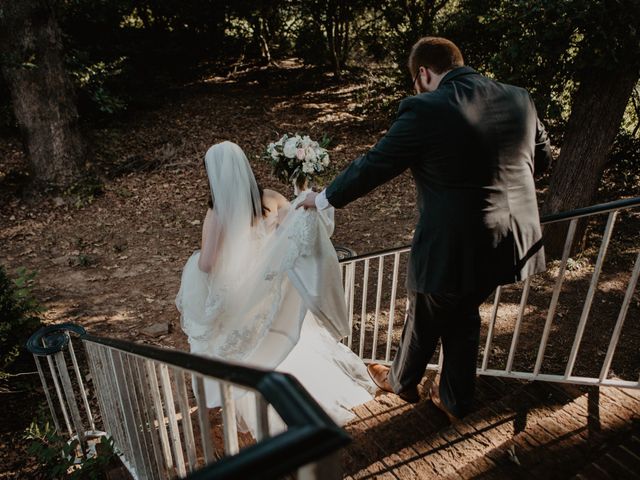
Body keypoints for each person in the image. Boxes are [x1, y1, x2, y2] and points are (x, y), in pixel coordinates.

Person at [298, 37, 552, 420]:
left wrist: (322, 199)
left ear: (423, 73)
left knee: (427, 302)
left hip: (454, 243)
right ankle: (451, 396)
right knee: (460, 308)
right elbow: (543, 159)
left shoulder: (426, 107)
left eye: (414, 81)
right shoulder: (519, 97)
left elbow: (376, 163)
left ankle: (404, 381)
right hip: (514, 239)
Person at [176, 141, 375, 434]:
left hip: (236, 295)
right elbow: (293, 233)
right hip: (270, 290)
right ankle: (312, 393)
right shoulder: (270, 197)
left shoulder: (216, 212)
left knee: (247, 350)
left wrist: (193, 263)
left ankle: (268, 407)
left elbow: (206, 264)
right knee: (284, 338)